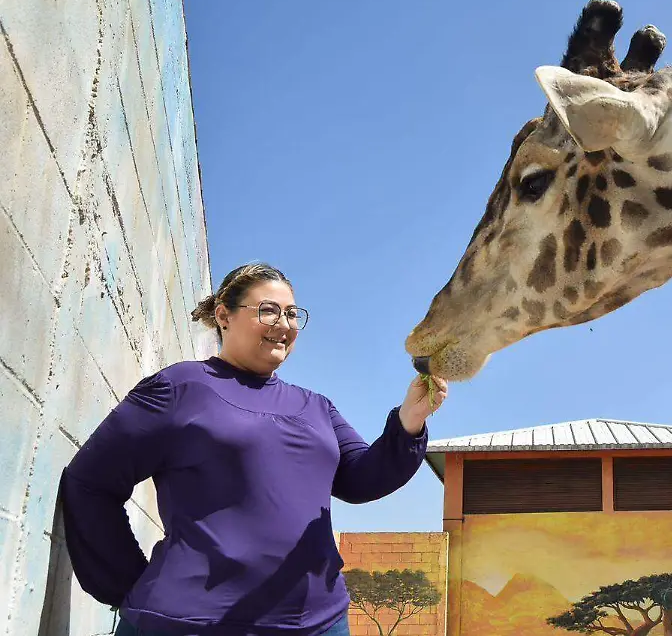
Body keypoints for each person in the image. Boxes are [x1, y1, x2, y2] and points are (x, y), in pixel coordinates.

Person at [57, 263, 448, 636]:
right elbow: (90, 482)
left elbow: (364, 479)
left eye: (293, 314)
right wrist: (128, 586)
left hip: (318, 624)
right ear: (224, 316)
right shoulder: (180, 387)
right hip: (188, 625)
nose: (284, 324)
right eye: (268, 311)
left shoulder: (316, 407)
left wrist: (408, 422)